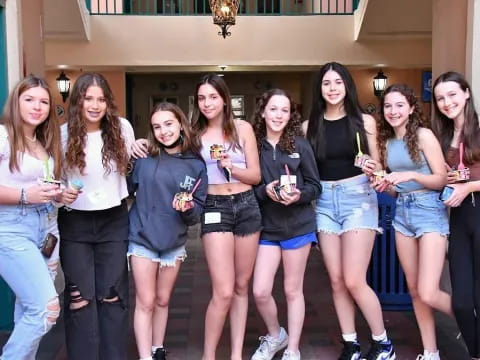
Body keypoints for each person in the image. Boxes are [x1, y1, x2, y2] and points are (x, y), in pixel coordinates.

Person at [304, 62, 395, 360]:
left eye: (338, 82)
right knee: (337, 280)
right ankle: (351, 343)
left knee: (355, 279)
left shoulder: (364, 121)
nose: (332, 88)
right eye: (327, 83)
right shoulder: (309, 127)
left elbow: (379, 167)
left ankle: (383, 343)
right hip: (325, 203)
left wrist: (373, 168)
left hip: (358, 197)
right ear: (320, 88)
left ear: (347, 86)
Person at [58, 72, 134, 360]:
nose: (95, 105)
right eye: (88, 98)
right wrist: (61, 192)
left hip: (114, 220)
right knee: (80, 298)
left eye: (101, 99)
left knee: (111, 296)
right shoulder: (63, 133)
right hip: (74, 221)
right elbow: (53, 176)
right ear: (78, 100)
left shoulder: (122, 128)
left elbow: (133, 163)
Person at [373, 84, 451, 360]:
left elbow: (442, 179)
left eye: (399, 105)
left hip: (429, 210)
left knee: (429, 291)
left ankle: (469, 315)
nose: (393, 111)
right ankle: (431, 352)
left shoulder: (423, 135)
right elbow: (396, 188)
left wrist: (410, 176)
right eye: (388, 106)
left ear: (411, 108)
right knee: (416, 289)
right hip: (402, 213)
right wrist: (385, 184)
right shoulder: (387, 142)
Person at [128, 102, 207, 360]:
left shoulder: (196, 164)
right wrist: (129, 152)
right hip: (142, 238)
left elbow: (196, 215)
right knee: (146, 300)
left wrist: (187, 208)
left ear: (181, 124)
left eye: (169, 124)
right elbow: (124, 188)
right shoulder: (144, 159)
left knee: (162, 300)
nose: (163, 131)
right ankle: (145, 356)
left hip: (173, 241)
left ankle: (157, 348)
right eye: (157, 127)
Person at [193, 73, 261, 360]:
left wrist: (230, 166)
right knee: (222, 291)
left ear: (224, 99)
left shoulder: (243, 129)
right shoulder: (194, 135)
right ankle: (209, 356)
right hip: (214, 207)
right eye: (201, 98)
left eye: (212, 96)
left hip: (246, 205)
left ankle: (235, 354)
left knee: (241, 286)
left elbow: (256, 176)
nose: (207, 103)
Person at [250, 89, 321, 360]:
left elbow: (315, 187)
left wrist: (299, 195)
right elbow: (249, 187)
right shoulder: (254, 146)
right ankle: (276, 335)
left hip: (298, 226)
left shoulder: (300, 145)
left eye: (284, 110)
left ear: (290, 115)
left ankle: (293, 350)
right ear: (263, 112)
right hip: (267, 227)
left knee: (293, 289)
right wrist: (263, 191)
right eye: (273, 109)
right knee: (260, 291)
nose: (278, 115)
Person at [0, 75, 62, 360]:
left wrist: (58, 194)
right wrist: (27, 195)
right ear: (16, 102)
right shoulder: (3, 136)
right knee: (47, 309)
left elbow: (43, 187)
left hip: (47, 229)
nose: (37, 106)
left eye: (44, 101)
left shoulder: (43, 142)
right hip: (12, 230)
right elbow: (26, 191)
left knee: (29, 311)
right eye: (29, 99)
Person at [433, 71, 480, 360]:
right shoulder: (442, 135)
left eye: (452, 94)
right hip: (459, 217)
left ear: (466, 93)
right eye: (440, 98)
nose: (447, 102)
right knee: (462, 302)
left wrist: (470, 186)